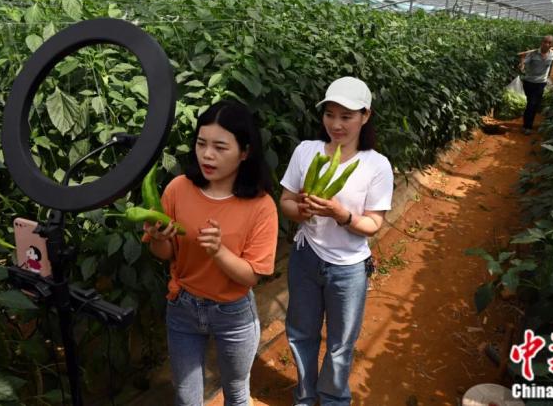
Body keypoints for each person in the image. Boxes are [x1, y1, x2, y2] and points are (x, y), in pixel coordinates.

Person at [143, 100, 278, 406]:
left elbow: (251, 276)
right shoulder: (178, 189)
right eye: (201, 143)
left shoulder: (261, 206)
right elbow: (164, 252)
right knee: (186, 397)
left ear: (244, 152)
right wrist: (158, 239)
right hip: (183, 307)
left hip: (233, 313)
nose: (207, 154)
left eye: (220, 147)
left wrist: (219, 251)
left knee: (236, 392)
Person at [279, 76, 394, 406]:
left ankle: (332, 399)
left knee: (341, 342)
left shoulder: (376, 165)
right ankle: (305, 396)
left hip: (348, 268)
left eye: (347, 116)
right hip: (306, 258)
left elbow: (373, 223)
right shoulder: (307, 152)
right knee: (301, 332)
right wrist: (300, 211)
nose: (336, 124)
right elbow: (285, 201)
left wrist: (341, 215)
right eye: (330, 114)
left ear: (365, 116)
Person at [519, 35, 553, 135]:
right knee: (531, 103)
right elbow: (523, 64)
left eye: (549, 43)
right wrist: (522, 63)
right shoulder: (532, 54)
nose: (546, 44)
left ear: (552, 44)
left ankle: (527, 125)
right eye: (545, 42)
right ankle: (527, 125)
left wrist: (549, 77)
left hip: (541, 83)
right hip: (529, 82)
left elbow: (552, 65)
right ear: (541, 42)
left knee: (534, 104)